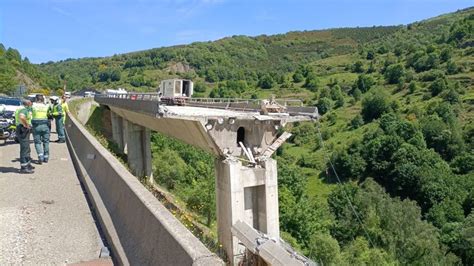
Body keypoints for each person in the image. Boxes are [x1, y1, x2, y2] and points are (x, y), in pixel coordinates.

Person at [32, 95, 50, 164]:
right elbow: (49, 114)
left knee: (37, 142)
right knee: (46, 142)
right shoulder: (46, 106)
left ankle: (40, 156)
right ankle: (46, 157)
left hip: (36, 126)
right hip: (45, 125)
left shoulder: (33, 106)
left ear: (36, 99)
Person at [17, 99, 34, 174]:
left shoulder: (22, 108)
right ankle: (24, 167)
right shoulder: (23, 110)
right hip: (22, 129)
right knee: (24, 148)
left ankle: (27, 164)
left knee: (27, 147)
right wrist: (26, 125)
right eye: (31, 103)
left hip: (22, 128)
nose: (32, 104)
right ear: (28, 104)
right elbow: (22, 117)